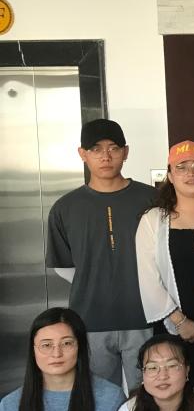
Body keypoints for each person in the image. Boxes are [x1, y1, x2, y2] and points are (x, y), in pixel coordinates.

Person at [46, 117, 154, 388]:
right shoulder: (65, 207)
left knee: (148, 398)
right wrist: (98, 283)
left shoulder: (152, 199)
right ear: (82, 154)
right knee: (99, 398)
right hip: (90, 319)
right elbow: (64, 266)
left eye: (113, 148)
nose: (106, 156)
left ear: (125, 152)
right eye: (96, 149)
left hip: (146, 317)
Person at [136, 140, 194, 411]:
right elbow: (148, 277)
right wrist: (179, 321)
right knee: (177, 405)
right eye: (181, 167)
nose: (190, 173)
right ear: (169, 175)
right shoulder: (154, 220)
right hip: (173, 328)